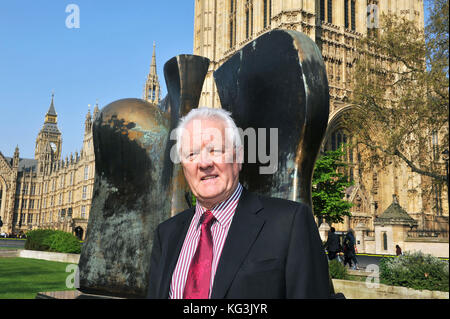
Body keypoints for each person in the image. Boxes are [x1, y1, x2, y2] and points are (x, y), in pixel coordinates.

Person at [147, 108, 331, 299]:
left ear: (239, 156)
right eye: (191, 154)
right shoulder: (166, 234)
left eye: (215, 150)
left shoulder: (289, 223)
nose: (204, 163)